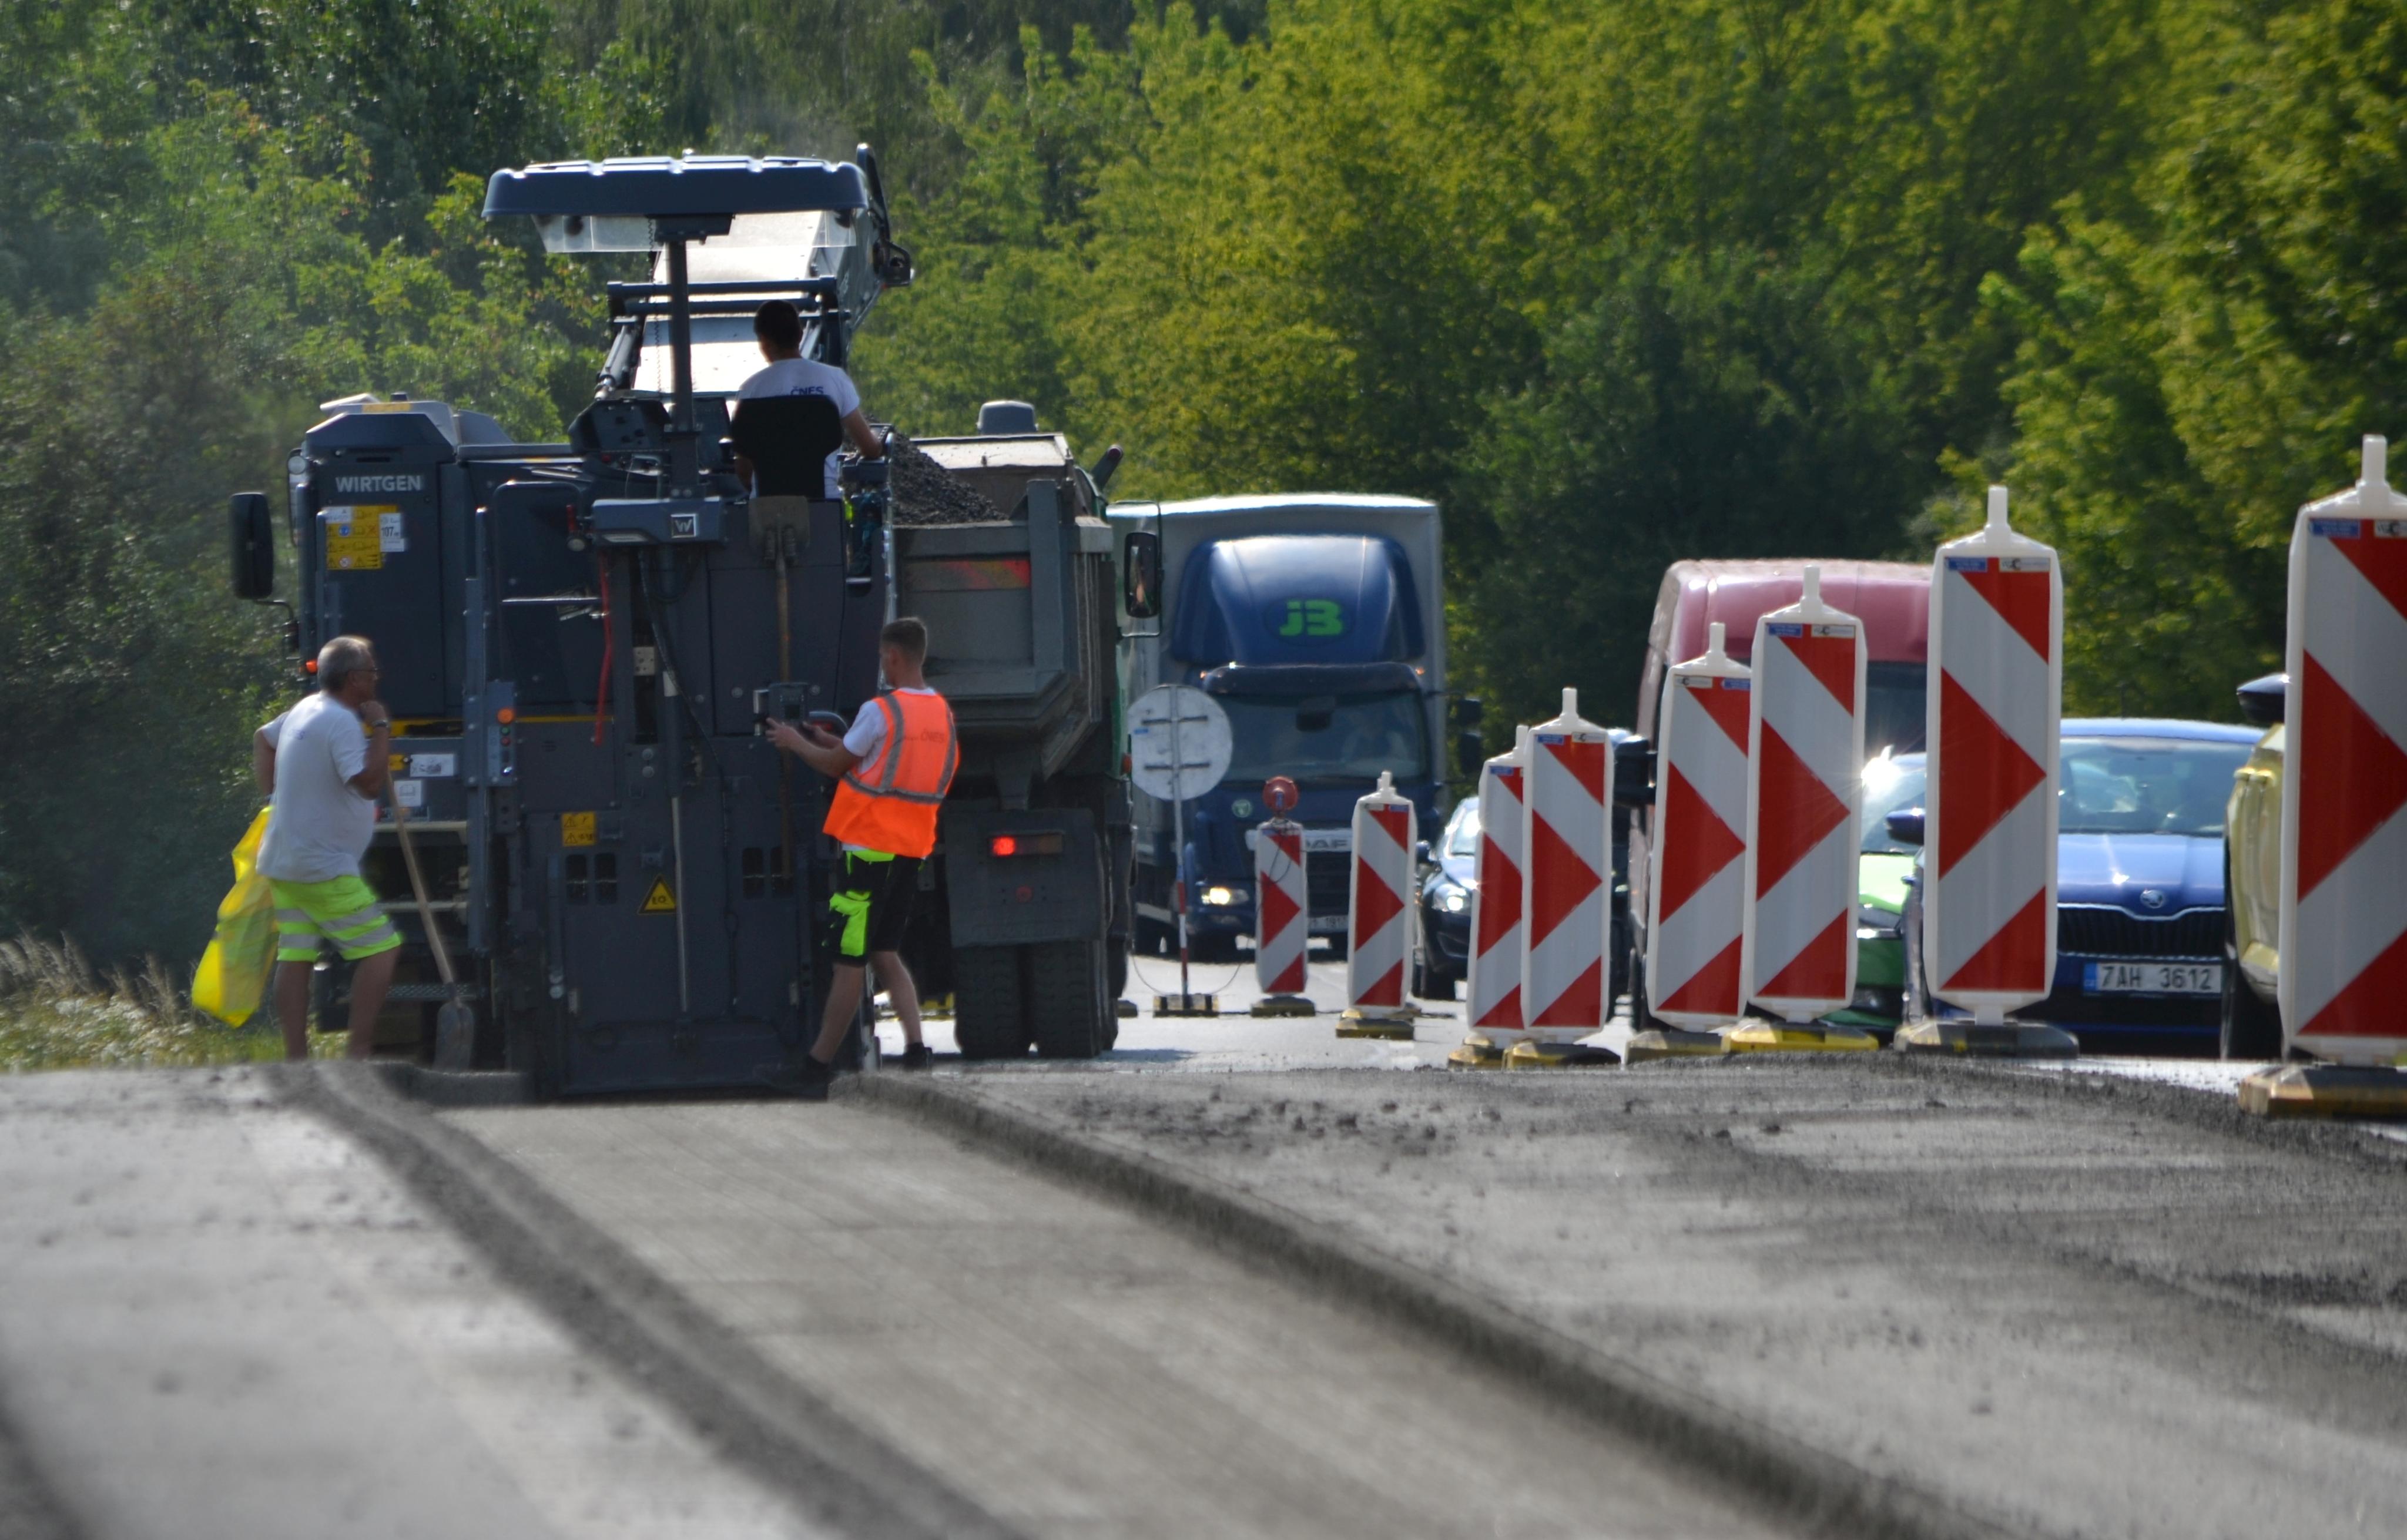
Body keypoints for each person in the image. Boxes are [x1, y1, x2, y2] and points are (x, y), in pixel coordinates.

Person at [762, 617, 956, 1098]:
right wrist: (829, 741)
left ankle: (816, 1065)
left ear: (893, 657)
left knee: (850, 960)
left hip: (867, 851)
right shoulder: (939, 714)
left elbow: (834, 766)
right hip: (911, 849)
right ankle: (915, 1052)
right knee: (885, 950)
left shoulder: (881, 709)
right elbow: (873, 760)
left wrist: (794, 742)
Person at [252, 635, 400, 1061]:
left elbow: (263, 738)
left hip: (285, 858)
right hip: (323, 866)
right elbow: (369, 784)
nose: (376, 680)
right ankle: (359, 1052)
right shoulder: (339, 720)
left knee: (296, 952)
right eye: (372, 672)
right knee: (381, 950)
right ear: (354, 679)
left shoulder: (305, 708)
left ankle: (297, 1059)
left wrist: (276, 799)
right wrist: (382, 728)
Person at [732, 298, 884, 498]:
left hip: (767, 515)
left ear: (764, 342)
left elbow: (744, 471)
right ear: (801, 335)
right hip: (824, 509)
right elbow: (871, 449)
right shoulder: (834, 379)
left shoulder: (750, 390)